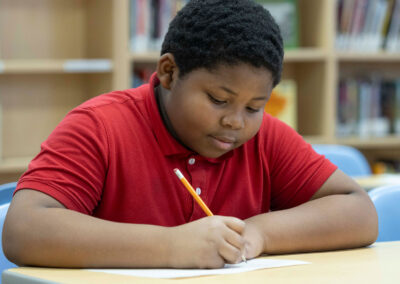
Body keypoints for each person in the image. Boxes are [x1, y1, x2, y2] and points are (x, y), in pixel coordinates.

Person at [3, 0, 377, 269]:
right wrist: (170, 246)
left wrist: (259, 233)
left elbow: (358, 211)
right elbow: (25, 229)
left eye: (253, 107)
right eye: (218, 99)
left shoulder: (264, 138)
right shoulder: (99, 127)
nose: (236, 122)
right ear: (168, 72)